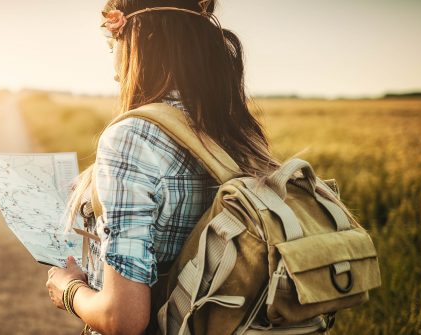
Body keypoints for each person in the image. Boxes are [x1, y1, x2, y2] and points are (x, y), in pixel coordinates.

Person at [44, 1, 281, 334]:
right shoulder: (240, 132)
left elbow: (122, 317)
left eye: (113, 44)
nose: (114, 68)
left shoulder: (131, 137)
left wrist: (69, 289)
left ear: (142, 42)